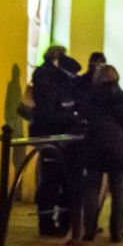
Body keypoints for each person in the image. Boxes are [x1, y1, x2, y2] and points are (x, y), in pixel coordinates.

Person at [74, 64, 123, 244]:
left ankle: (89, 230)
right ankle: (116, 232)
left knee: (92, 188)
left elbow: (82, 116)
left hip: (95, 144)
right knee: (118, 190)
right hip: (119, 146)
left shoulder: (91, 96)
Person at [29, 45, 83, 236]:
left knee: (55, 180)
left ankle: (51, 222)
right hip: (53, 135)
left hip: (56, 135)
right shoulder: (50, 80)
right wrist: (72, 118)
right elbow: (48, 112)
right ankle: (51, 223)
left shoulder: (48, 77)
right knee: (54, 180)